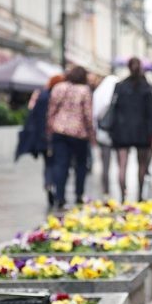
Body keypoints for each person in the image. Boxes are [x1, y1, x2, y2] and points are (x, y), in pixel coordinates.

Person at [111, 57, 152, 202]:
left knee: (122, 165)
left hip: (121, 130)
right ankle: (139, 195)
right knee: (142, 164)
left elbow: (114, 109)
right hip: (142, 131)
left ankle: (122, 196)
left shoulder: (119, 86)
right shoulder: (146, 87)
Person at [47, 66, 94, 209]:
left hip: (59, 131)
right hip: (79, 133)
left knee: (61, 164)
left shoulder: (58, 88)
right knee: (80, 165)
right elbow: (88, 114)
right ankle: (79, 194)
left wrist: (49, 127)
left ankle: (60, 196)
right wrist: (91, 132)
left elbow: (51, 110)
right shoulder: (84, 90)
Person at [16, 75, 65, 207]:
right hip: (56, 135)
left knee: (48, 164)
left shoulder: (42, 96)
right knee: (58, 163)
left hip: (42, 137)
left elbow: (33, 117)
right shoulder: (58, 97)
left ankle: (48, 184)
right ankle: (56, 187)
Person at [92, 75, 120, 197]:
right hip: (119, 134)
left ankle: (106, 188)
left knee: (105, 163)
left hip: (104, 132)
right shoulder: (119, 94)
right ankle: (122, 188)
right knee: (122, 163)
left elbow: (95, 113)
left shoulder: (99, 93)